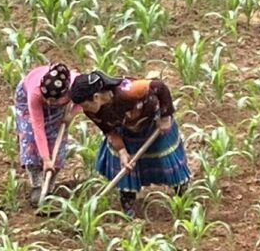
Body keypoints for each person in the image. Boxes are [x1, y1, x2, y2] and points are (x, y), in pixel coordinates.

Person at [69, 70, 190, 217]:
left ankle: (182, 196)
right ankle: (128, 202)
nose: (84, 110)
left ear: (96, 97)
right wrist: (122, 151)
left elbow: (160, 87)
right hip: (125, 130)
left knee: (165, 159)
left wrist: (165, 116)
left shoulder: (131, 91)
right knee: (125, 168)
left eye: (85, 105)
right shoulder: (92, 111)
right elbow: (109, 130)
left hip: (153, 124)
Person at [14, 62, 80, 207]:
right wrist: (45, 159)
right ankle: (37, 184)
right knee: (30, 136)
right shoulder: (35, 93)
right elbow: (38, 127)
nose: (49, 102)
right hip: (26, 99)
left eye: (53, 99)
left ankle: (49, 187)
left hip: (61, 105)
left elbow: (86, 96)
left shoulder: (76, 85)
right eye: (47, 98)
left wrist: (71, 114)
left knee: (57, 138)